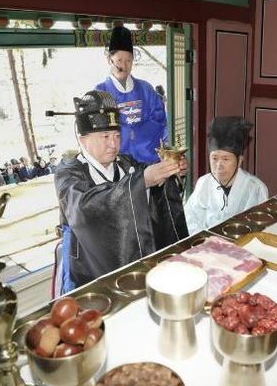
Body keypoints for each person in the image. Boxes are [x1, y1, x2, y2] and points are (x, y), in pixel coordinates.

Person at [54, 90, 188, 292]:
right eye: (105, 136)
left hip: (130, 257)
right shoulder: (68, 172)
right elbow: (84, 207)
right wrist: (141, 182)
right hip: (90, 267)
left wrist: (170, 172)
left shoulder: (126, 163)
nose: (113, 144)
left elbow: (152, 186)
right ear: (82, 139)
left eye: (117, 135)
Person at [96, 26, 168, 164]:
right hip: (117, 163)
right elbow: (99, 132)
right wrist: (127, 132)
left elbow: (160, 121)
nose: (124, 65)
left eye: (128, 60)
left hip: (149, 158)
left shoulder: (146, 89)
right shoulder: (100, 92)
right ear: (110, 60)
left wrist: (137, 133)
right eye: (119, 60)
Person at [184, 117, 269, 235]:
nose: (219, 165)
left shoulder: (256, 188)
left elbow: (260, 229)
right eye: (214, 158)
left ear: (239, 161)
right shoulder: (203, 183)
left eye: (225, 159)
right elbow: (189, 221)